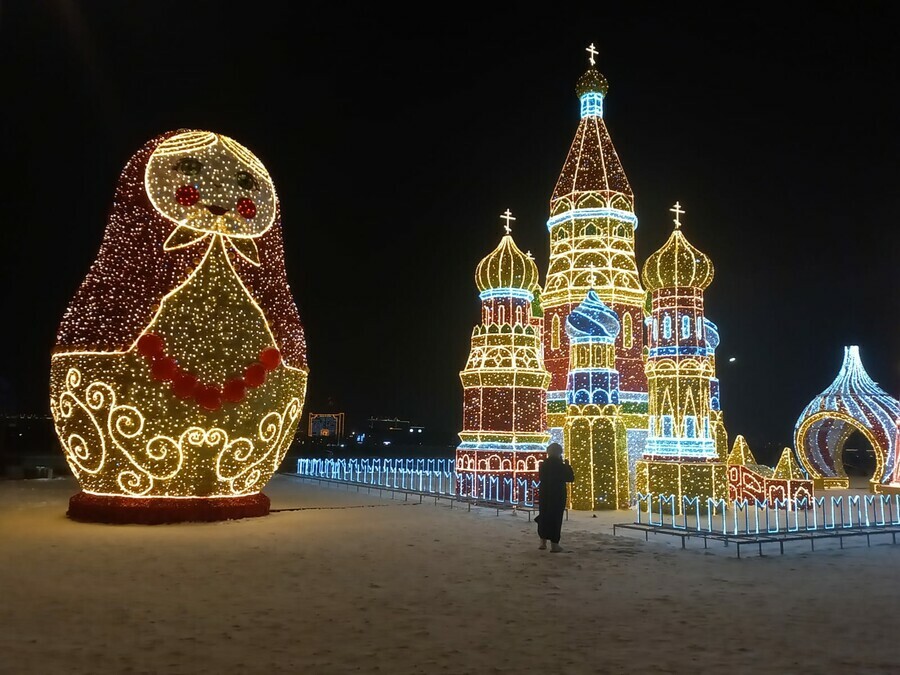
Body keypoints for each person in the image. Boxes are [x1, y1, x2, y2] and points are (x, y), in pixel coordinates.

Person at [536, 442, 575, 552]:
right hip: (557, 494)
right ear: (559, 453)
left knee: (544, 515)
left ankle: (542, 542)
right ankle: (554, 544)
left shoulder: (543, 465)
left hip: (545, 493)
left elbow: (541, 478)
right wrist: (567, 466)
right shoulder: (560, 466)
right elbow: (570, 478)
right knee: (556, 518)